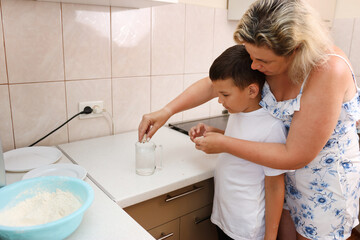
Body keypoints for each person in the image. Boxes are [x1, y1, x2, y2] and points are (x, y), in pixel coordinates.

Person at [138, 0, 360, 239]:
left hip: (322, 184)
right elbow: (217, 85)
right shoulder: (264, 54)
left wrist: (224, 143)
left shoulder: (328, 70)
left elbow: (295, 155)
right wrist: (167, 111)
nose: (253, 65)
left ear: (295, 49)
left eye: (262, 62)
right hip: (280, 176)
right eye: (252, 56)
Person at [190, 44, 290, 240]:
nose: (220, 101)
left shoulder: (271, 127)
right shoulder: (238, 111)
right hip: (224, 217)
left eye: (225, 95)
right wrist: (214, 133)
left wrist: (270, 237)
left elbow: (275, 187)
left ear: (252, 91)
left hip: (247, 230)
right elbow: (242, 143)